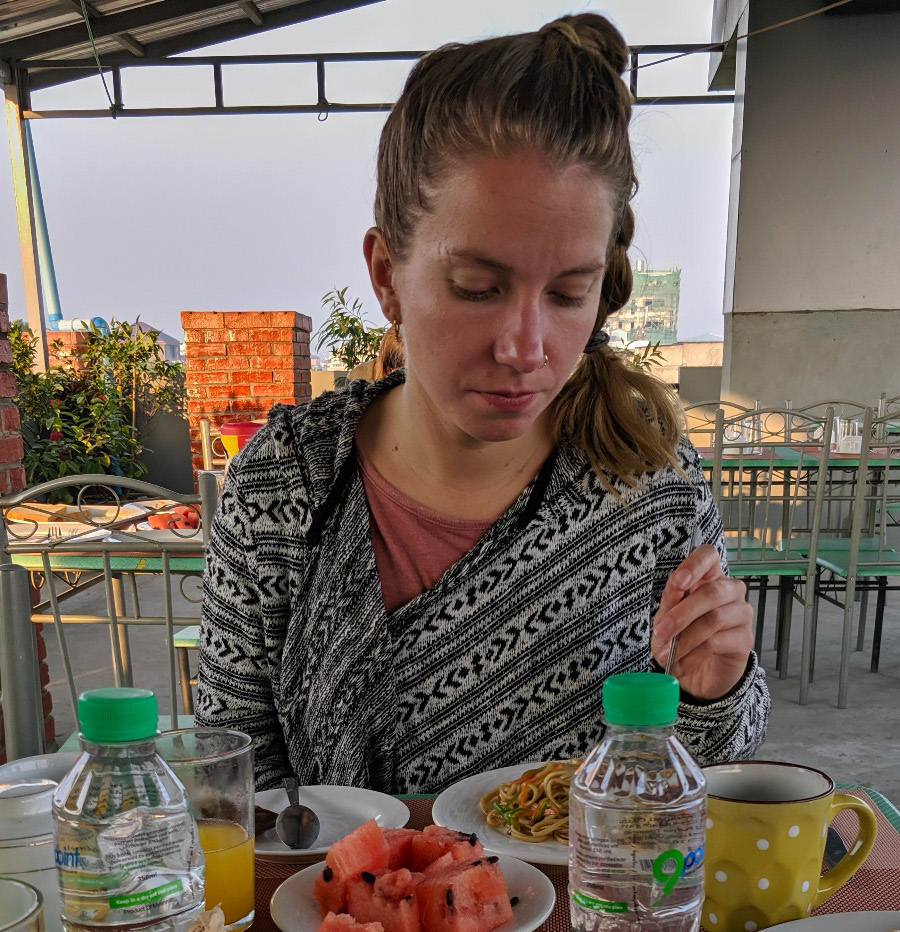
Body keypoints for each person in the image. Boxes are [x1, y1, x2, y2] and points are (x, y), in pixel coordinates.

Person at [196, 13, 769, 794]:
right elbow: (233, 791)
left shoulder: (649, 486)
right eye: (477, 287)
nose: (525, 347)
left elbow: (703, 781)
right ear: (387, 273)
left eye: (569, 294)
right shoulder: (286, 490)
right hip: (339, 915)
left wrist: (714, 690)